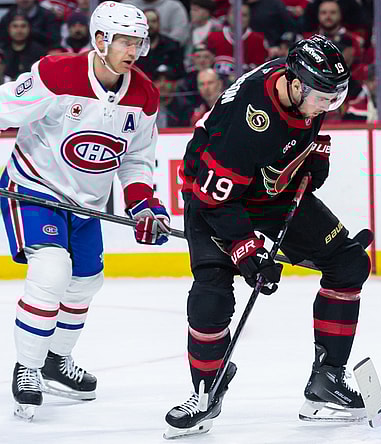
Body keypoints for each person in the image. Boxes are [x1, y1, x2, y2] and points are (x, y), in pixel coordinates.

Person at [165, 35, 371, 438]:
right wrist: (247, 252)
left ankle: (327, 381)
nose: (327, 106)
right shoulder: (248, 123)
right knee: (212, 296)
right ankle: (205, 391)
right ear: (295, 84)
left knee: (348, 263)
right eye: (322, 98)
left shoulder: (303, 88)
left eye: (334, 98)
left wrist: (314, 151)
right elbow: (215, 198)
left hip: (269, 192)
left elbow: (304, 124)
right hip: (211, 196)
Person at [0, 1, 169, 421]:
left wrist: (144, 205)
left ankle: (56, 361)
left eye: (138, 42)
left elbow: (136, 160)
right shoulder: (56, 73)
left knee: (85, 283)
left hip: (87, 202)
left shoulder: (145, 94)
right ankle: (28, 367)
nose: (132, 50)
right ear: (100, 40)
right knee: (51, 271)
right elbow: (4, 107)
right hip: (34, 188)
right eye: (124, 41)